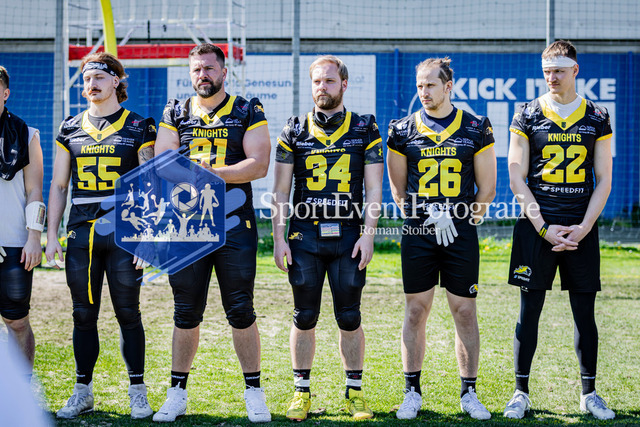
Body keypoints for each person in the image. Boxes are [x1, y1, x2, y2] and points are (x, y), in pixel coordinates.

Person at [153, 43, 271, 423]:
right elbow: (162, 162)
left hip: (234, 222)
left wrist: (215, 174)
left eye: (208, 68)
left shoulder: (247, 109)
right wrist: (198, 175)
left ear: (223, 72)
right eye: (196, 70)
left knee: (240, 308)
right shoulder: (176, 110)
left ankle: (254, 391)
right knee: (185, 310)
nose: (202, 75)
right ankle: (176, 392)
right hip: (187, 224)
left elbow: (259, 164)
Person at [504, 40, 614, 420]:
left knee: (584, 312)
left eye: (559, 71)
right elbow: (516, 177)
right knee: (529, 311)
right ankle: (520, 392)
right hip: (538, 226)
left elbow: (604, 178)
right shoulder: (527, 113)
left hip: (580, 226)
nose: (552, 77)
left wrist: (584, 227)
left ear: (575, 70)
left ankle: (589, 394)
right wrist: (543, 227)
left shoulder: (597, 116)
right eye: (547, 71)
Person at [271, 55, 383, 421]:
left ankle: (354, 392)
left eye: (329, 81)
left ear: (344, 84)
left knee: (349, 316)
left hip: (348, 233)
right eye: (317, 81)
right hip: (305, 235)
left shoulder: (364, 127)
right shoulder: (294, 129)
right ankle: (301, 392)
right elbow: (281, 190)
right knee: (304, 315)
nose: (322, 87)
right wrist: (278, 237)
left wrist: (369, 235)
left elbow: (374, 188)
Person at [45, 52, 156, 420]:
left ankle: (137, 391)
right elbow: (59, 185)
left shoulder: (139, 126)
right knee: (82, 314)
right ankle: (82, 392)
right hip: (83, 231)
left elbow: (150, 182)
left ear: (116, 82)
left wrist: (149, 233)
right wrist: (51, 234)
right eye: (86, 79)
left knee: (128, 312)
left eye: (98, 78)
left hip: (126, 230)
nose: (91, 85)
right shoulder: (69, 127)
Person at [386, 57, 496, 420]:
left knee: (464, 310)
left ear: (449, 87)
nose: (424, 92)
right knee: (416, 310)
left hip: (459, 231)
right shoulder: (402, 130)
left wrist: (463, 218)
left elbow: (488, 188)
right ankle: (411, 392)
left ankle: (469, 392)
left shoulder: (476, 127)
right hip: (419, 230)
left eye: (431, 85)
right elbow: (398, 191)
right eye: (420, 86)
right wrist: (423, 214)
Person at [0, 65, 44, 376]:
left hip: (15, 243)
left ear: (5, 93)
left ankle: (22, 394)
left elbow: (34, 191)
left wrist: (34, 237)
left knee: (16, 322)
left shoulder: (27, 134)